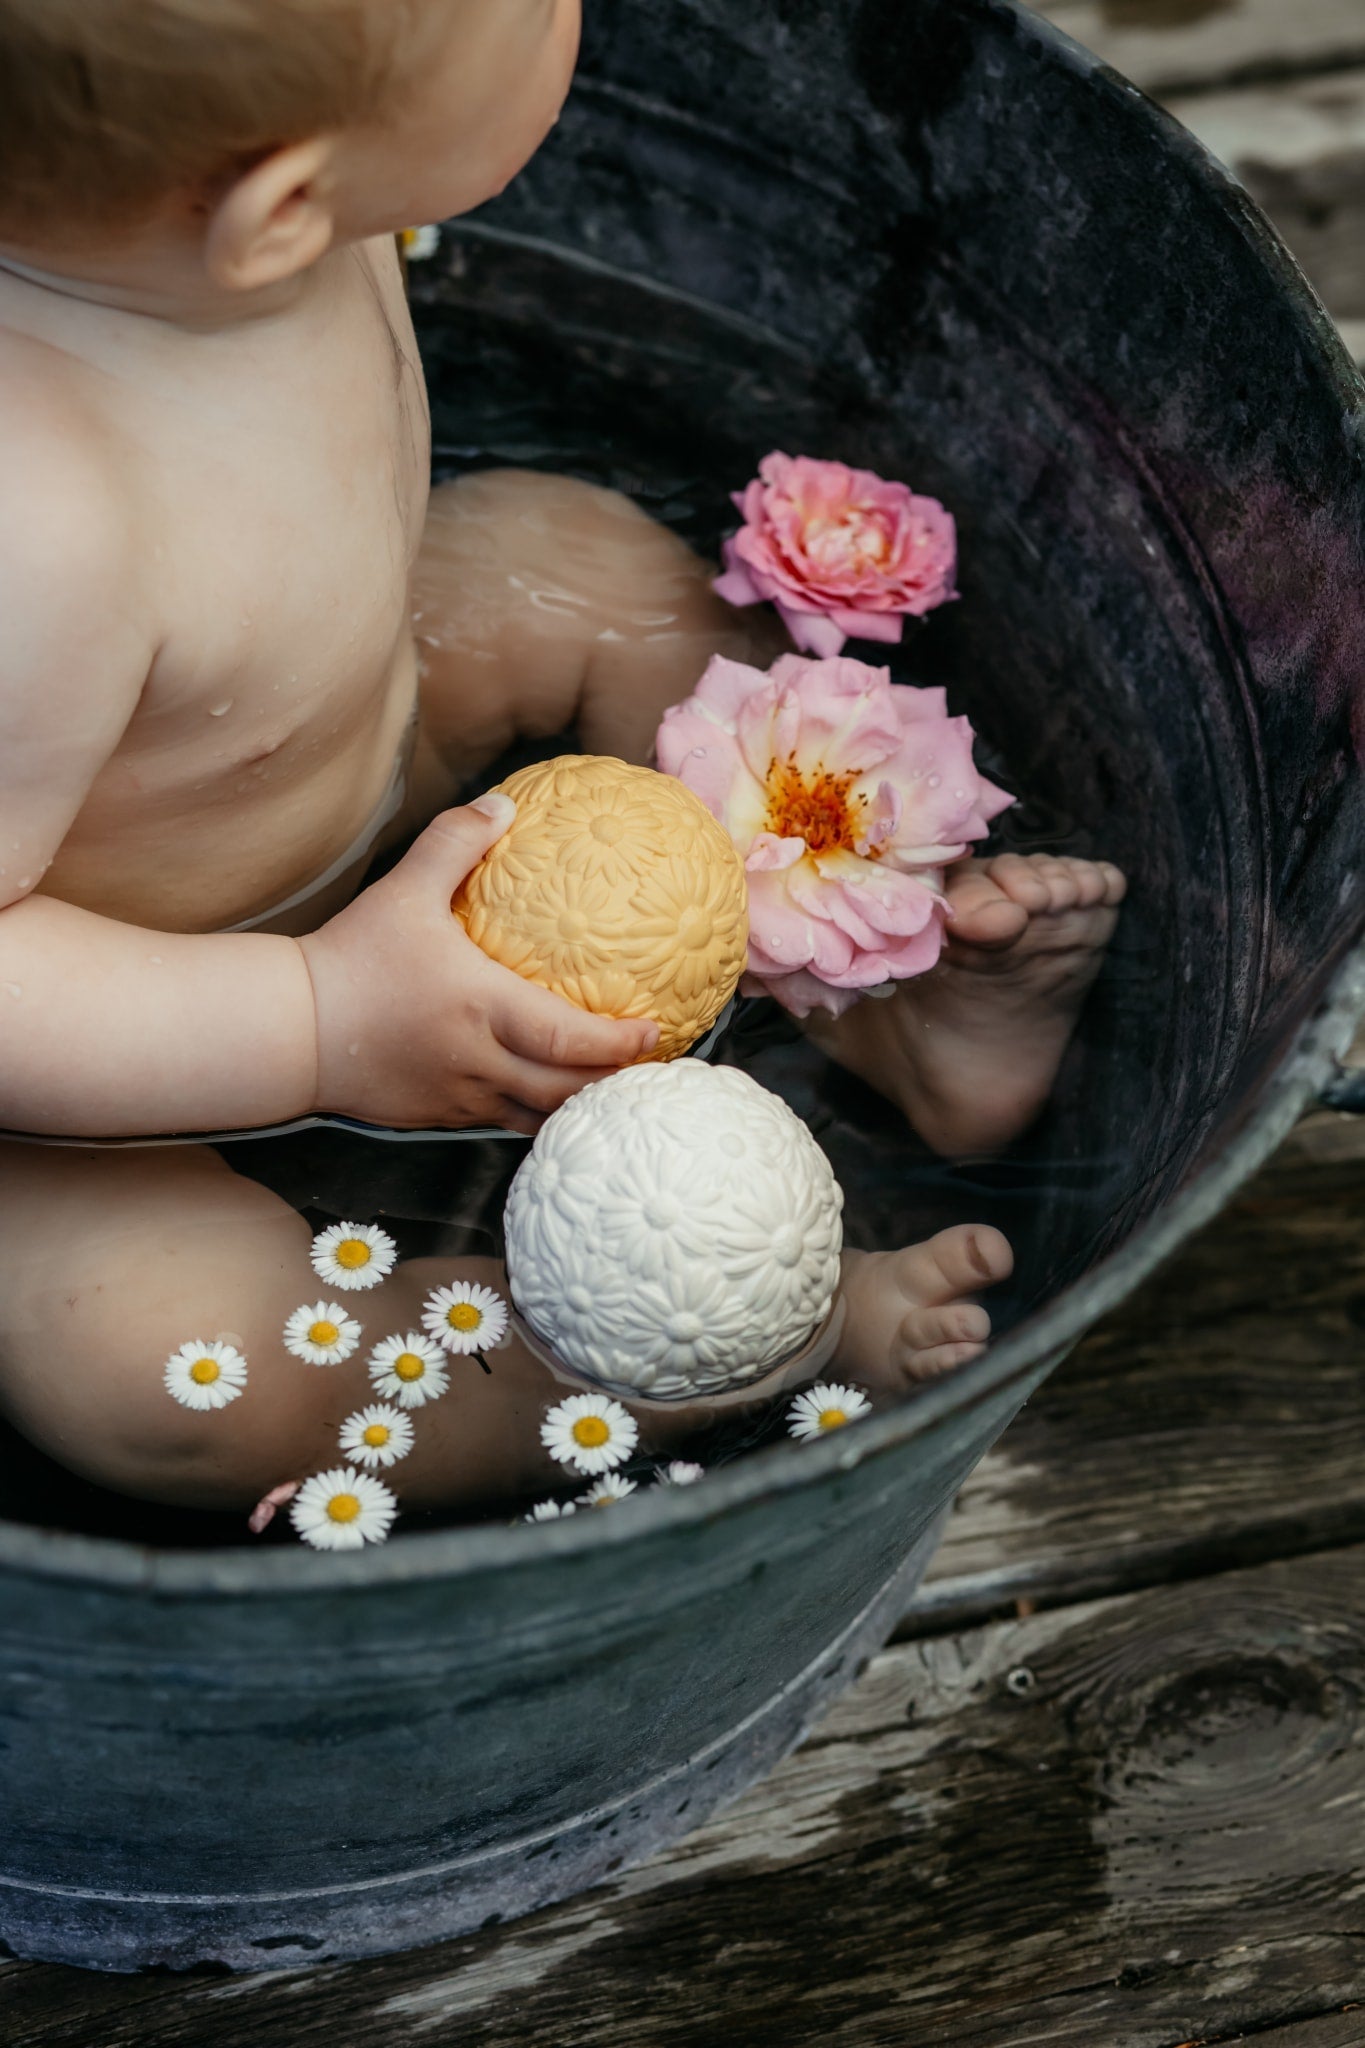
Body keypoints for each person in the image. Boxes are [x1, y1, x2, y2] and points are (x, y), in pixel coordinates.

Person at [0, 0, 1123, 1515]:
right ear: (281, 207)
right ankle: (632, 1362)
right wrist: (316, 1018)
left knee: (567, 560)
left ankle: (884, 1005)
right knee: (167, 1368)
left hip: (321, 769)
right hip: (76, 1065)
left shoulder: (192, 228)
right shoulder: (36, 532)